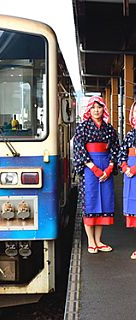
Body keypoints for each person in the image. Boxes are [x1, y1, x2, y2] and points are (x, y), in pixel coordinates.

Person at [73, 96, 120, 254]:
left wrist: (110, 167)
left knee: (104, 203)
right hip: (89, 168)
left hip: (105, 164)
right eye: (93, 107)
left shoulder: (109, 128)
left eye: (99, 107)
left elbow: (115, 148)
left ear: (103, 109)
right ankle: (91, 241)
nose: (96, 110)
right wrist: (93, 168)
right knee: (90, 202)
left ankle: (99, 240)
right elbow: (79, 149)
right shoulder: (83, 127)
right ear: (89, 110)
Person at [118, 101, 136, 259]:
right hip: (130, 176)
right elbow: (121, 153)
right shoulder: (130, 135)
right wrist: (125, 167)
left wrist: (133, 169)